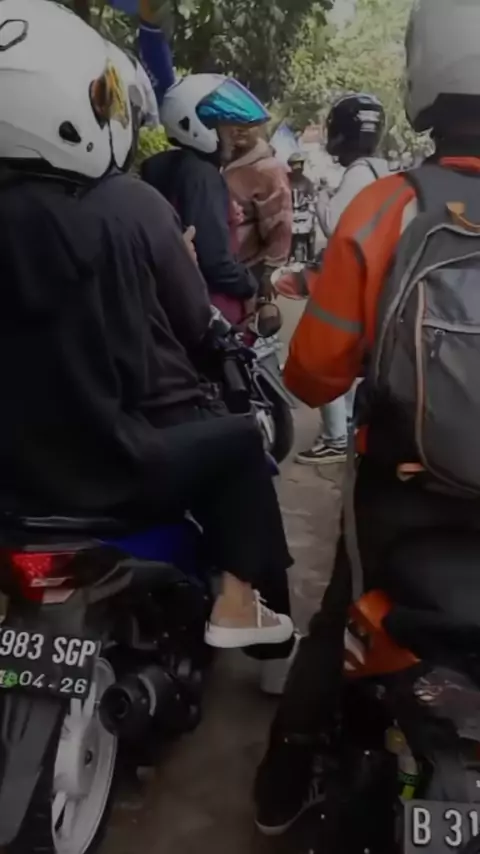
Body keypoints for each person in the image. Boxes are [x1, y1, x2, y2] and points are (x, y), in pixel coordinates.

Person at [0, 0, 294, 659]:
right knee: (242, 443)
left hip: (15, 478)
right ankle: (239, 605)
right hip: (105, 465)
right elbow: (184, 322)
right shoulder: (121, 208)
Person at [255, 0, 480, 833]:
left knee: (339, 613)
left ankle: (282, 789)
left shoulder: (388, 208)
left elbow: (314, 375)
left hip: (404, 496)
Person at [296, 93, 386, 466]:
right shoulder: (381, 169)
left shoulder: (358, 173)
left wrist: (321, 198)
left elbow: (335, 224)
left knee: (328, 354)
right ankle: (344, 429)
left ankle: (335, 437)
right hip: (375, 284)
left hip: (351, 284)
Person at [140, 74, 262, 324]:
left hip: (174, 307)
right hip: (211, 311)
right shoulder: (202, 176)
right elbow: (216, 264)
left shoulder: (163, 167)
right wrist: (250, 284)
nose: (234, 135)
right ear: (194, 124)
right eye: (225, 125)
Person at [223, 124, 292, 298]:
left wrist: (270, 270)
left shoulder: (268, 169)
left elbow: (280, 224)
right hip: (221, 269)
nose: (239, 128)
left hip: (250, 268)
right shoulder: (220, 160)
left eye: (248, 123)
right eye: (233, 121)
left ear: (260, 128)